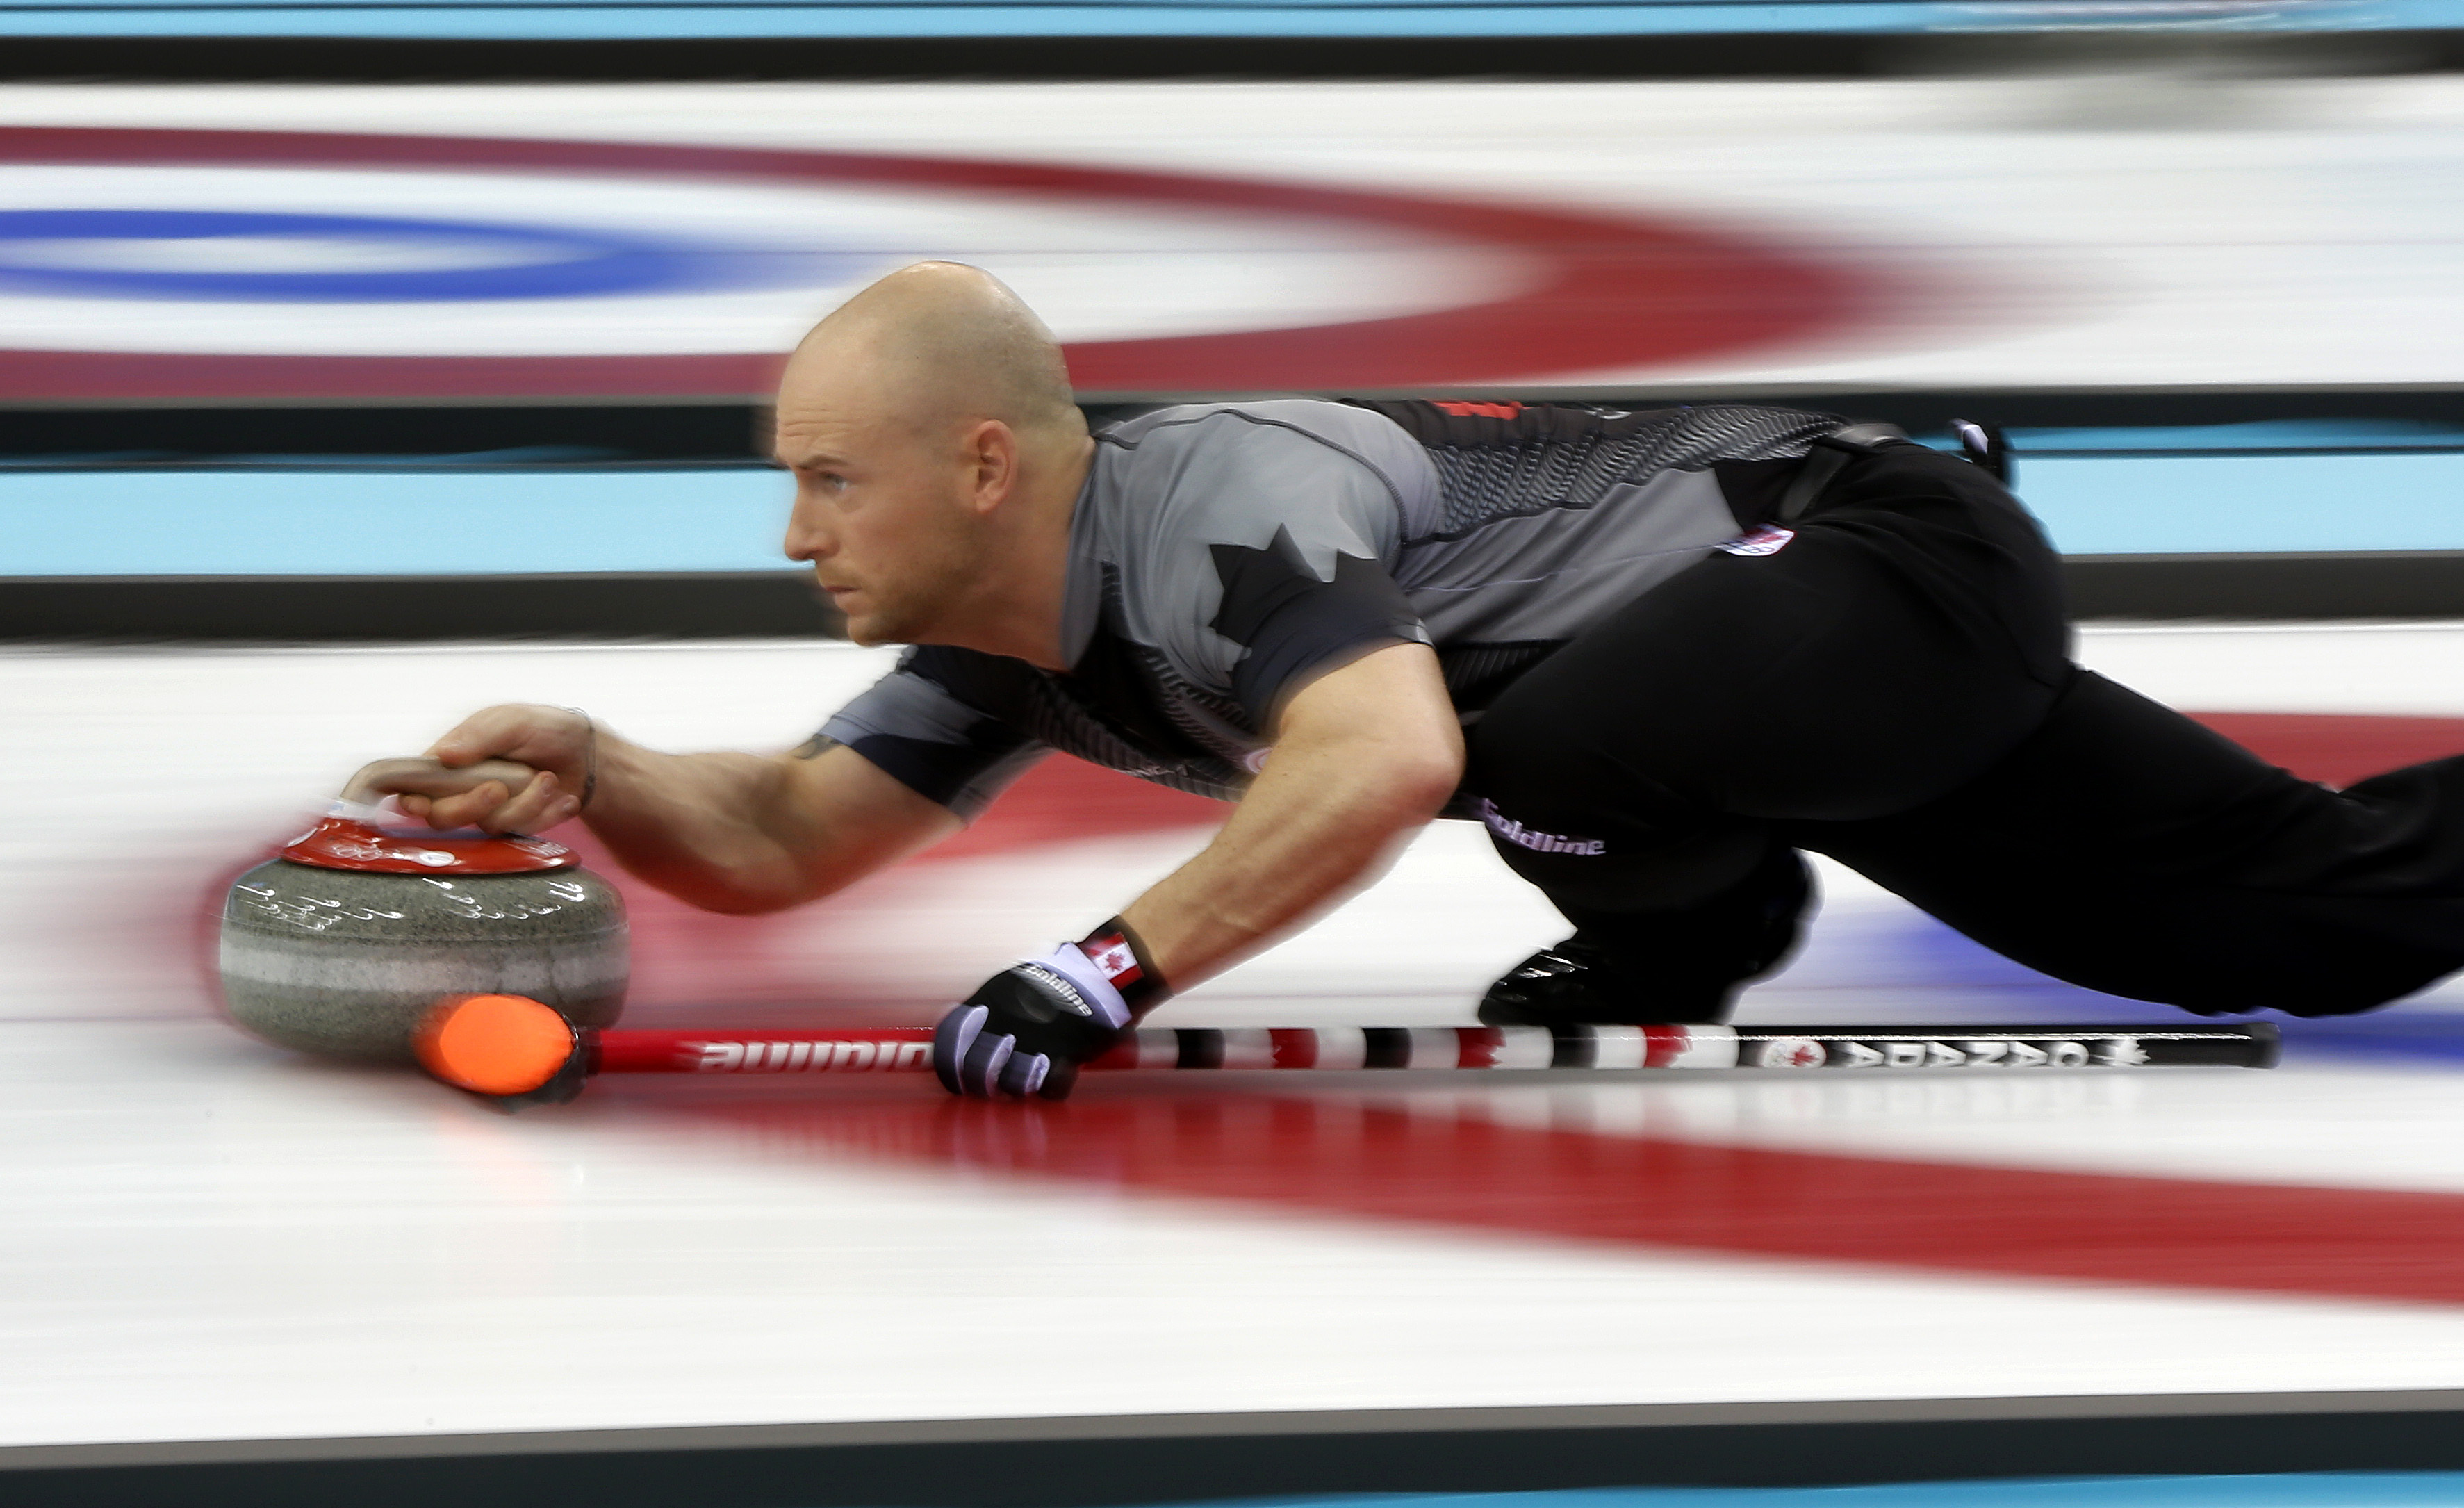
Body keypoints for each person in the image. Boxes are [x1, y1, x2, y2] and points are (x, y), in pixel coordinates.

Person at [403, 261, 2464, 1101]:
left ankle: (1698, 908)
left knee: (1525, 743)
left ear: (985, 463)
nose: (796, 537)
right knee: (2293, 923)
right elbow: (771, 839)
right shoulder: (1001, 650)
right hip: (1766, 682)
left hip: (1868, 556)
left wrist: (1102, 969)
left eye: (827, 482)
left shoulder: (1217, 500)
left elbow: (1382, 751)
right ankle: (1691, 883)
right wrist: (595, 763)